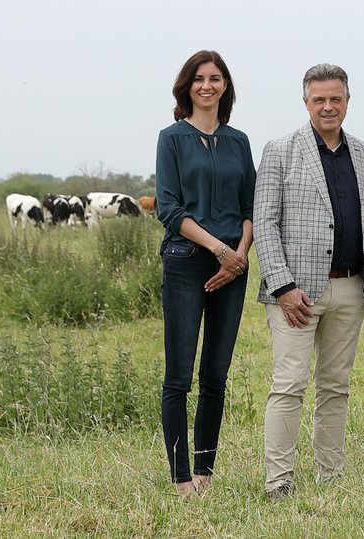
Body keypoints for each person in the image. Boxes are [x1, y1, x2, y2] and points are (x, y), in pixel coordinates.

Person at [253, 64, 364, 500]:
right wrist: (282, 286)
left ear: (348, 100)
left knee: (336, 386)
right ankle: (279, 481)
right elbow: (266, 224)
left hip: (350, 286)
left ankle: (329, 474)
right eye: (319, 100)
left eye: (336, 99)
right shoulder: (280, 150)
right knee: (289, 384)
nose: (328, 107)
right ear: (305, 102)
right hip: (296, 292)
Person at [154, 49, 255, 497]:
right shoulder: (171, 139)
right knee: (179, 374)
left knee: (215, 374)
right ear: (187, 87)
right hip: (185, 261)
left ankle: (205, 474)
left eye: (216, 78)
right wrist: (218, 249)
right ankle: (179, 478)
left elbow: (251, 207)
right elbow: (169, 207)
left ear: (226, 86)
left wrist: (237, 256)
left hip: (234, 265)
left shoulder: (239, 142)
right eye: (199, 78)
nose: (207, 85)